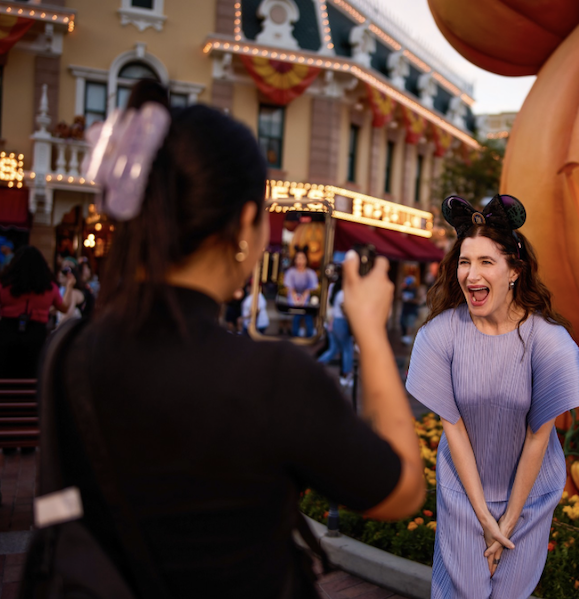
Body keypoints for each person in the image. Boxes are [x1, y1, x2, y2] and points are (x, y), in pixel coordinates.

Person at [31, 80, 425, 597]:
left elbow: (61, 504)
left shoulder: (68, 350)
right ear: (245, 224)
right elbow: (400, 492)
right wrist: (371, 331)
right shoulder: (272, 377)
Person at [406, 194, 579, 598]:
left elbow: (538, 437)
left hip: (529, 496)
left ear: (514, 271)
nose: (471, 274)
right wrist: (482, 517)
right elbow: (452, 428)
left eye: (486, 262)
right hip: (462, 492)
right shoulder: (439, 337)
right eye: (464, 261)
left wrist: (506, 522)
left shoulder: (549, 343)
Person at [0, 246, 74, 378]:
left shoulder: (4, 285)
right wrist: (69, 286)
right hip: (36, 336)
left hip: (7, 334)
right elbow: (65, 307)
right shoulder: (49, 288)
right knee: (32, 375)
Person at [318, 269, 354, 387]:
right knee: (347, 349)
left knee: (333, 349)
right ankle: (346, 375)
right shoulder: (343, 293)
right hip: (340, 322)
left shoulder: (336, 291)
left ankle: (315, 366)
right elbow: (346, 310)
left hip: (332, 322)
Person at [285, 248, 318, 337]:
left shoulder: (310, 273)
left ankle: (309, 336)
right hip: (294, 299)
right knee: (296, 317)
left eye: (302, 258)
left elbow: (311, 288)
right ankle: (295, 335)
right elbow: (290, 288)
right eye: (298, 258)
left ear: (306, 260)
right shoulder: (291, 272)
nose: (300, 261)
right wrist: (296, 299)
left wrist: (303, 299)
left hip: (307, 300)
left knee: (308, 317)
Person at [399, 275, 419, 345]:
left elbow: (418, 300)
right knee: (403, 323)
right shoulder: (405, 289)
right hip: (405, 310)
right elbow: (400, 297)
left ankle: (408, 338)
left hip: (412, 311)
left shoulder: (415, 290)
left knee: (409, 324)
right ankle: (404, 337)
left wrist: (410, 300)